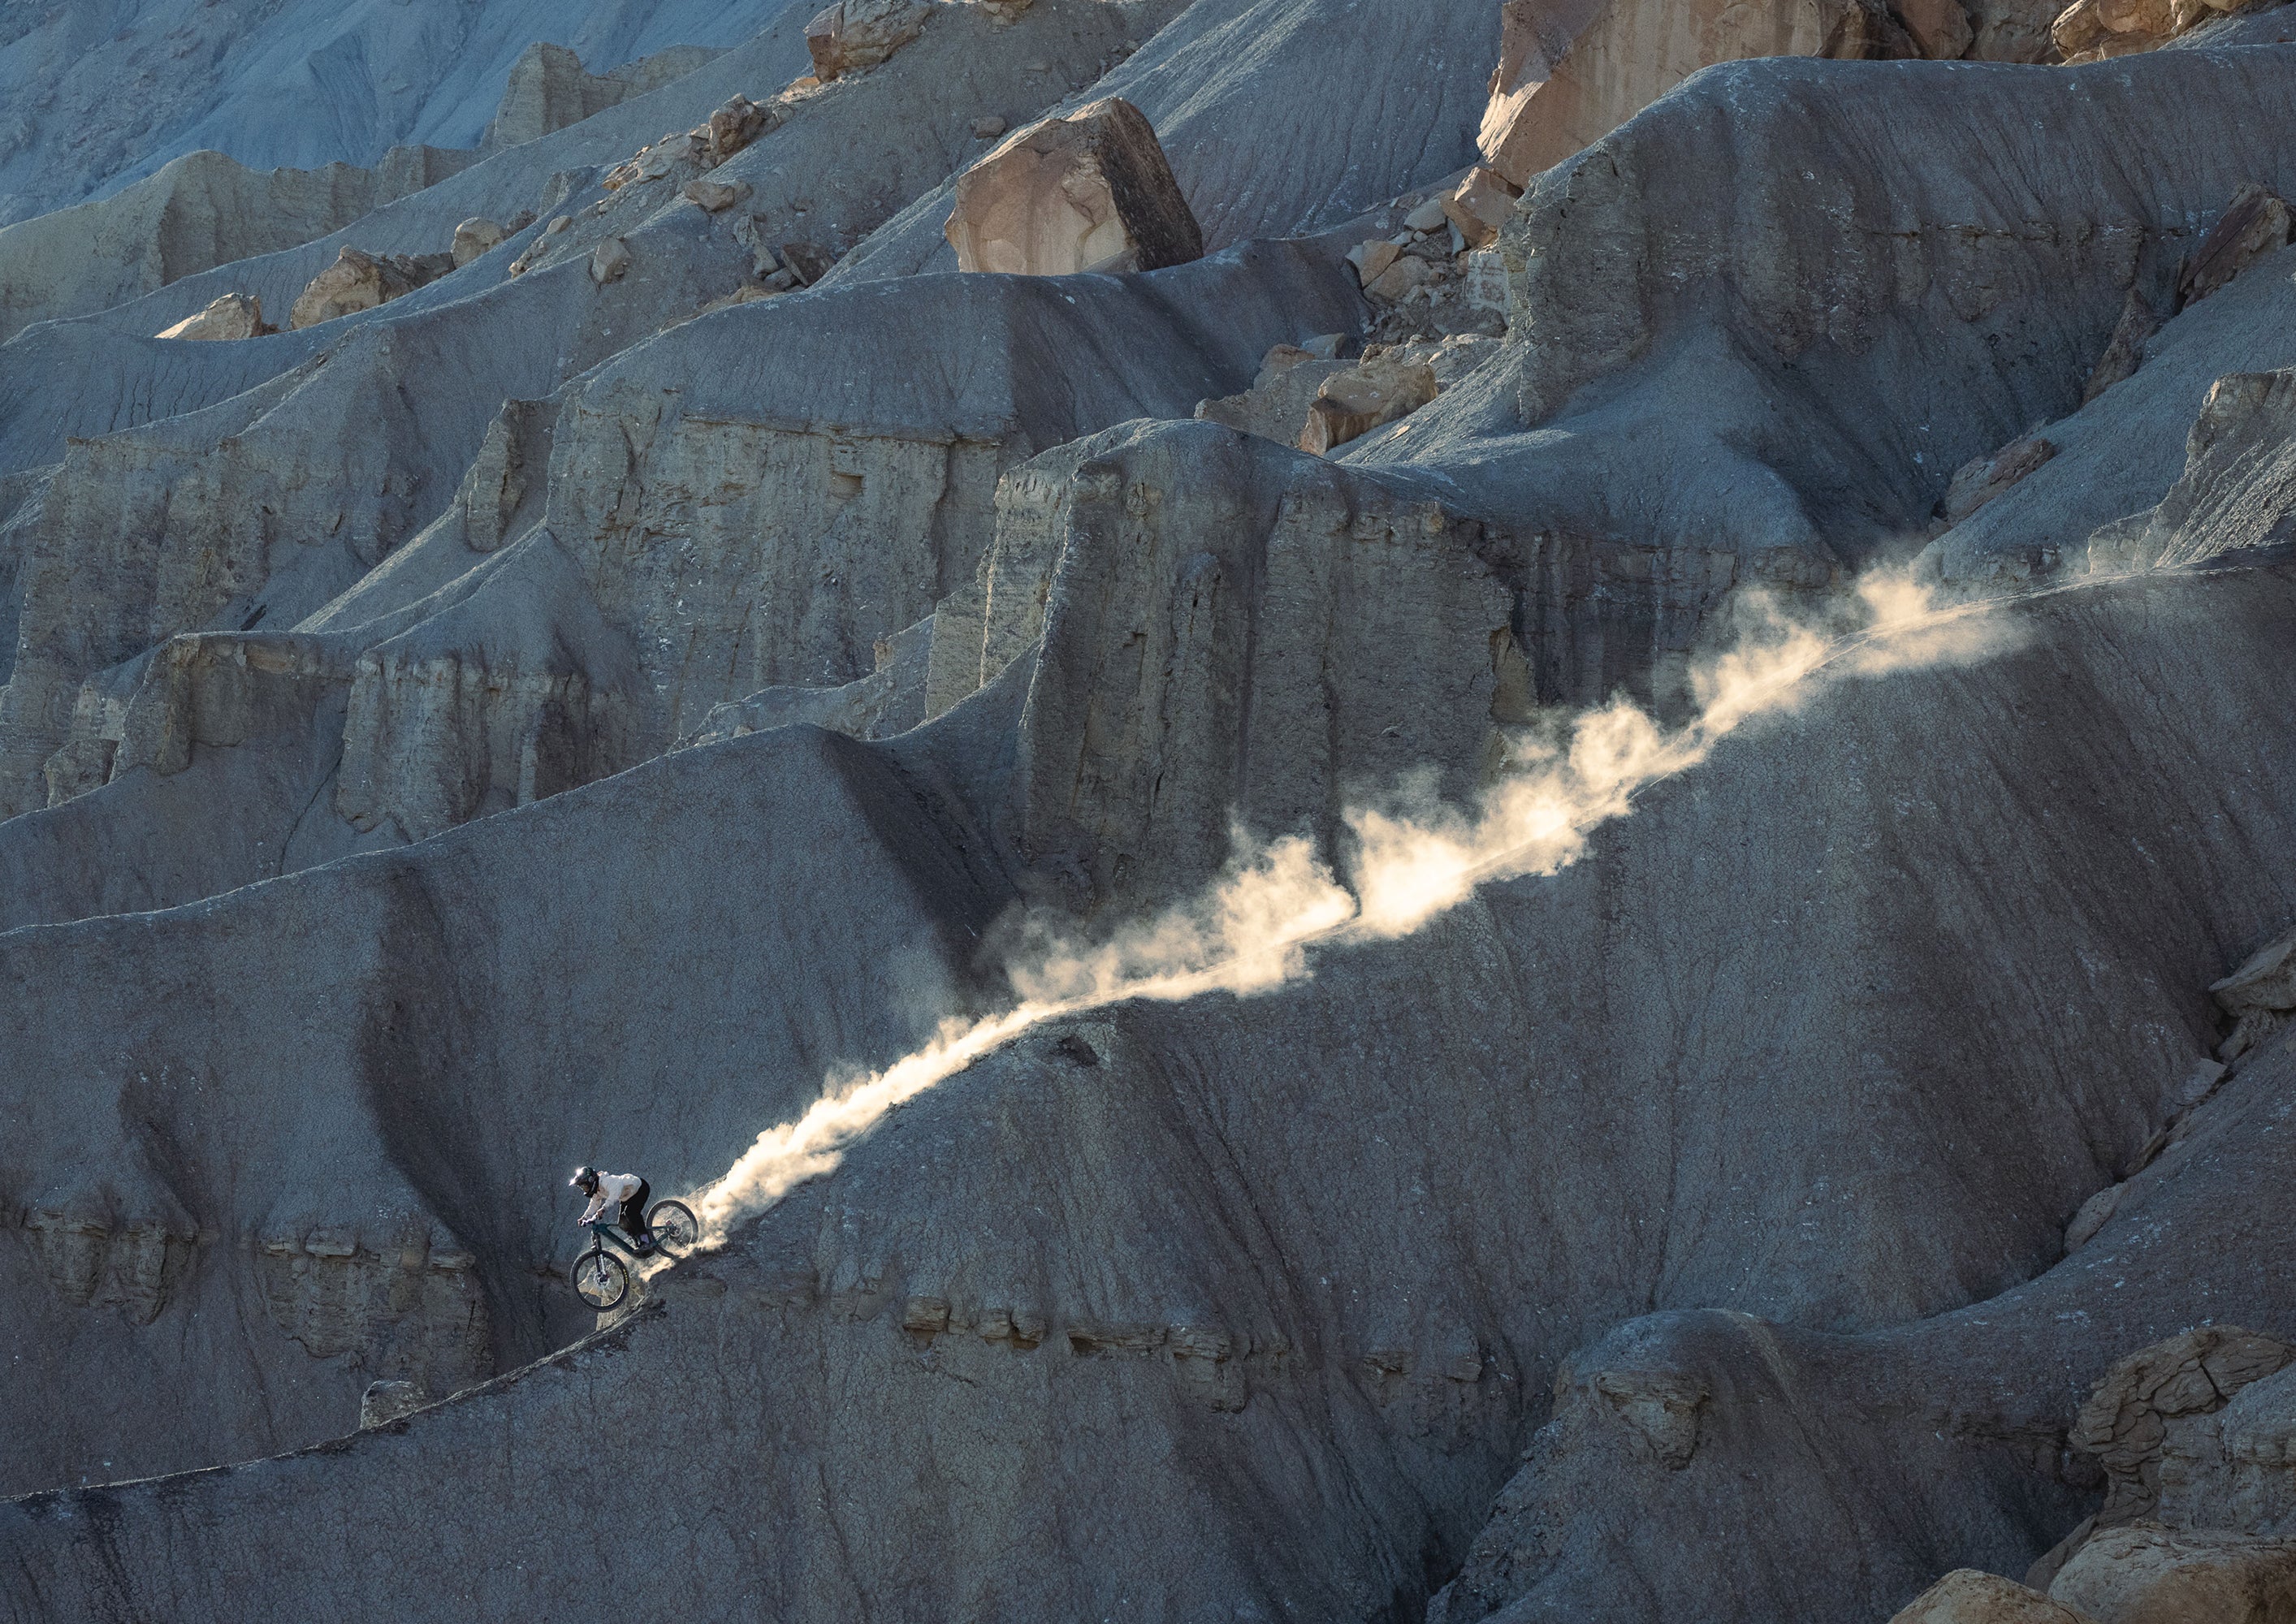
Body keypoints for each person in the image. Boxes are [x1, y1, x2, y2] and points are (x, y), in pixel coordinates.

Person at [570, 1166, 654, 1252]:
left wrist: (604, 1208)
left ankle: (646, 1241)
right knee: (622, 1223)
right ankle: (638, 1242)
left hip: (639, 1189)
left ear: (591, 1181)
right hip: (627, 1196)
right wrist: (585, 1217)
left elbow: (615, 1194)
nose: (584, 1189)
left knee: (631, 1214)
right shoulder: (597, 1191)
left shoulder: (607, 1181)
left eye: (584, 1186)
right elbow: (594, 1205)